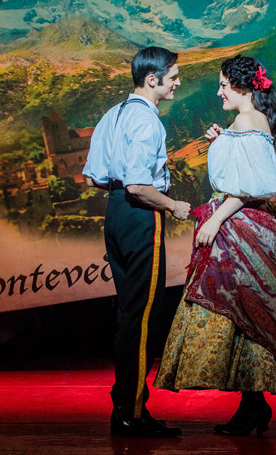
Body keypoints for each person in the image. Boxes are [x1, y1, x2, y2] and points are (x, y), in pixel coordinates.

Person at [154, 55, 276, 437]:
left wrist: (216, 219)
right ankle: (252, 406)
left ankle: (252, 407)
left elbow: (254, 185)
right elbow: (250, 170)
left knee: (240, 312)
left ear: (243, 87)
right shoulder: (246, 123)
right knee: (243, 317)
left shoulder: (249, 121)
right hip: (246, 225)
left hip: (243, 226)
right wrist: (223, 140)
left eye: (223, 85)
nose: (218, 92)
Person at [82, 46, 191, 438]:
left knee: (130, 314)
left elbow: (93, 177)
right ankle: (131, 413)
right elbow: (139, 185)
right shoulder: (146, 121)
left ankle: (125, 406)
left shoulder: (114, 114)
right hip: (140, 214)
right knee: (144, 316)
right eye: (173, 76)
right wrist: (174, 205)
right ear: (152, 79)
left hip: (115, 214)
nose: (178, 82)